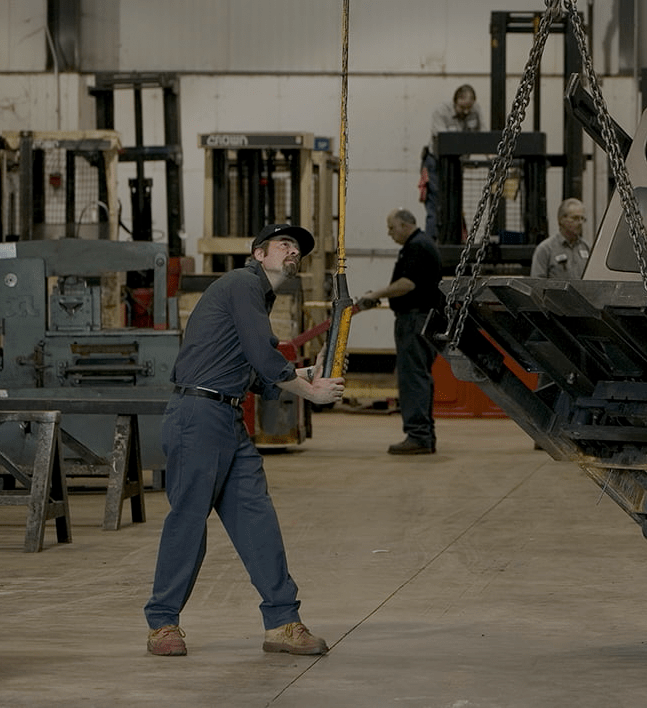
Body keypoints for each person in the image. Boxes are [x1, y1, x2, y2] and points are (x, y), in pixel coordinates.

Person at [145, 223, 345, 657]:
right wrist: (310, 392)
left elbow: (251, 369)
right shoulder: (242, 283)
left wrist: (305, 374)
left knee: (257, 519)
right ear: (258, 254)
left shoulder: (257, 296)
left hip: (227, 417)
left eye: (298, 249)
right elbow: (263, 354)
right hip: (198, 416)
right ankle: (162, 623)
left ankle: (282, 623)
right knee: (188, 521)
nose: (293, 252)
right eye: (284, 245)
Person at [359, 208, 445, 455]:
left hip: (415, 320)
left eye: (391, 228)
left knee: (412, 377)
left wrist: (376, 294)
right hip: (421, 319)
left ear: (406, 225)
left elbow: (407, 284)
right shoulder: (418, 244)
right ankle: (423, 434)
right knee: (418, 375)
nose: (389, 233)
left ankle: (418, 436)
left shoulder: (417, 246)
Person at [421, 84, 481, 240]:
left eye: (469, 107)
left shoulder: (475, 111)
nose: (466, 112)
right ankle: (433, 243)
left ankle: (455, 240)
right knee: (436, 205)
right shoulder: (441, 112)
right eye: (463, 107)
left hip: (457, 164)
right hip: (436, 164)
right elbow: (444, 139)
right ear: (455, 101)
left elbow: (482, 135)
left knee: (455, 205)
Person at [530, 198, 590, 279]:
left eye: (582, 219)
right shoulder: (545, 249)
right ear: (561, 219)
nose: (580, 223)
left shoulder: (587, 247)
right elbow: (537, 282)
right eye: (575, 218)